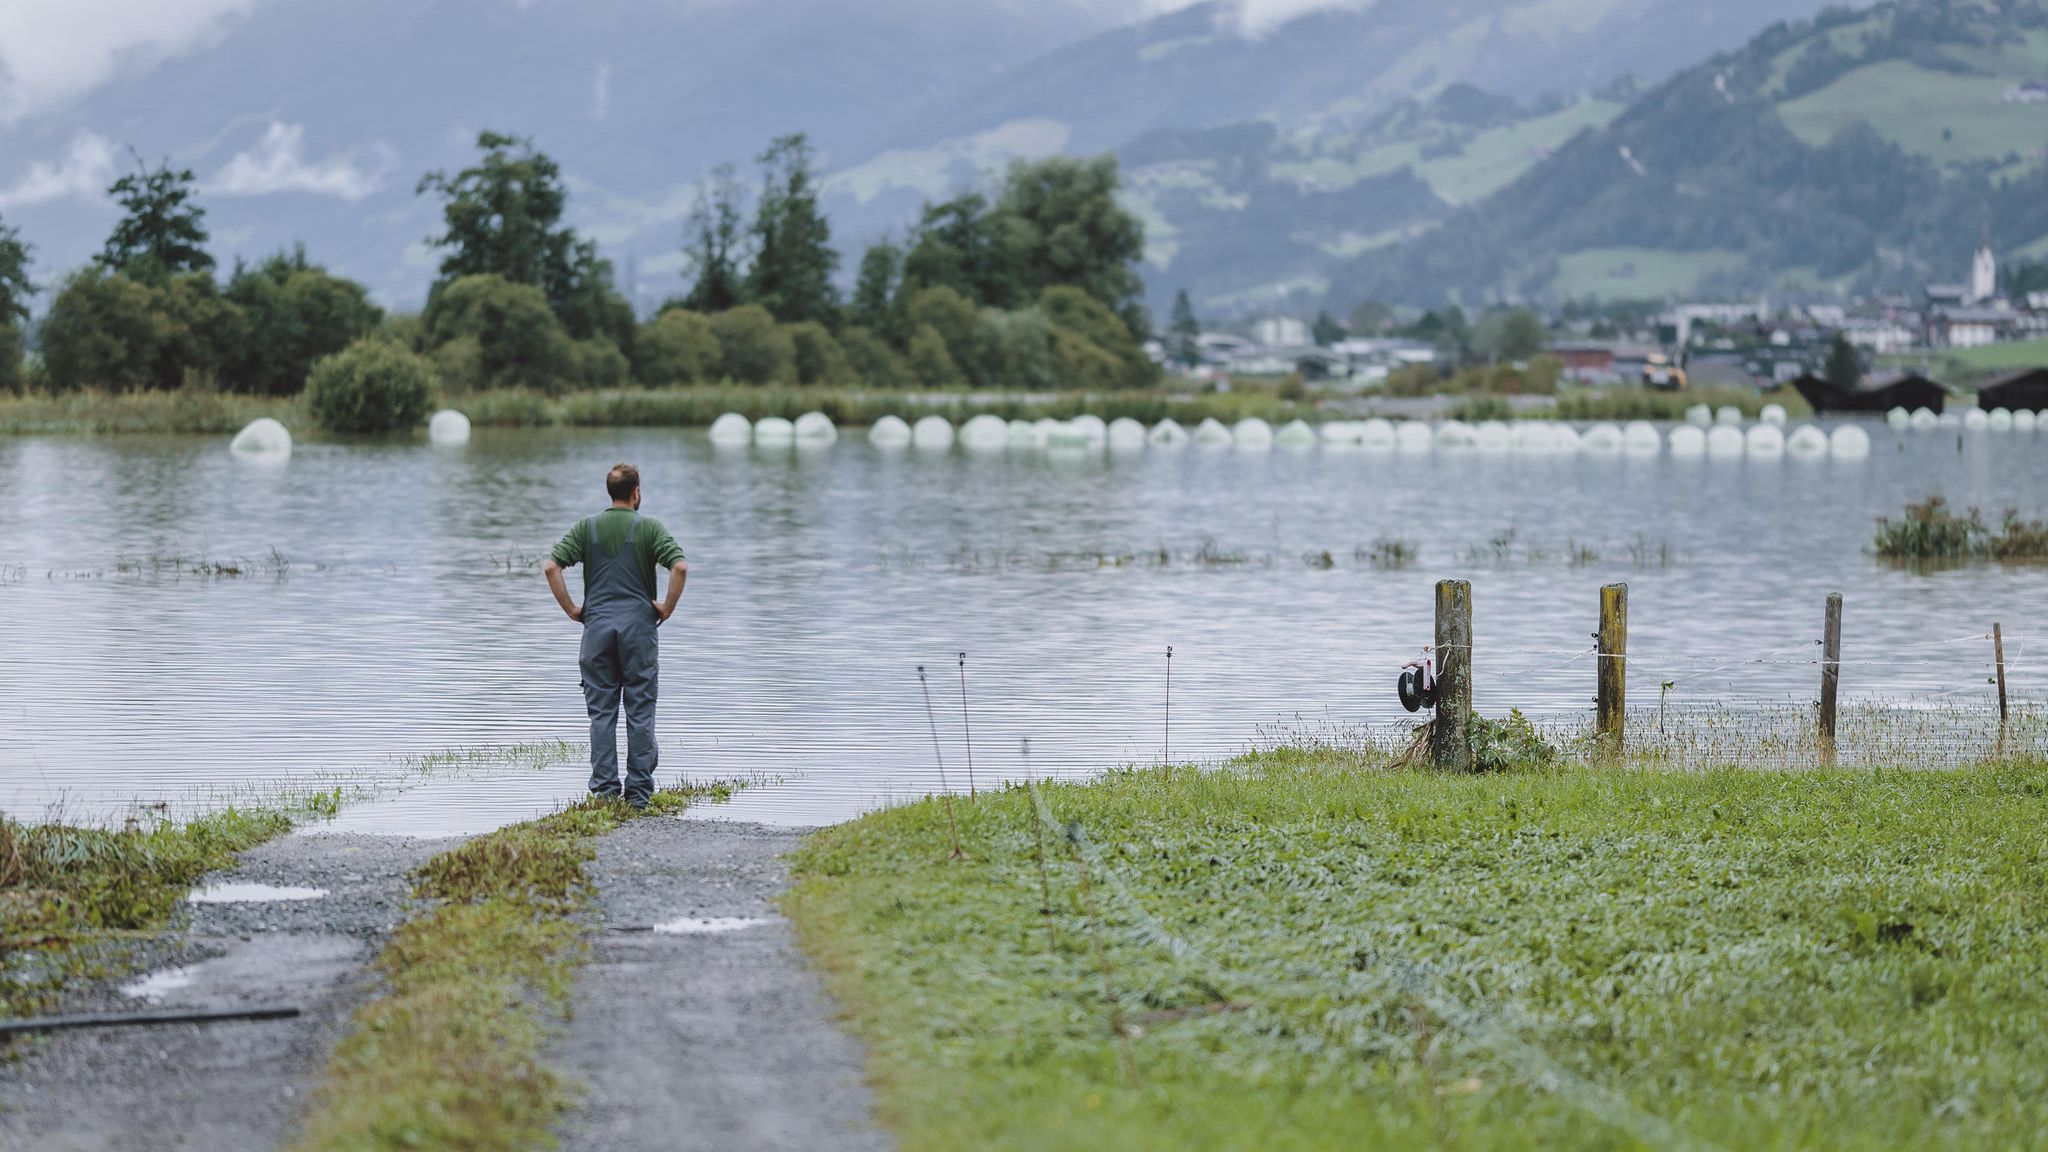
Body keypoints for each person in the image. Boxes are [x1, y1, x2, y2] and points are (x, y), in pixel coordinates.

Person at [543, 463, 689, 808]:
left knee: (602, 713)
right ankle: (638, 794)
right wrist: (666, 608)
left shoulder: (586, 527)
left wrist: (572, 609)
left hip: (597, 632)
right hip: (639, 632)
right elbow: (680, 567)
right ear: (636, 492)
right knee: (640, 711)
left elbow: (551, 567)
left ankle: (606, 793)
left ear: (610, 492)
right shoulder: (650, 528)